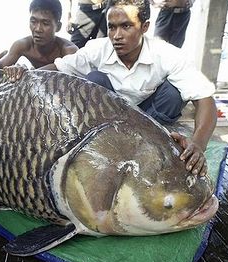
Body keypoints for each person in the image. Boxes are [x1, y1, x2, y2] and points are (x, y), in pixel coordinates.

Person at [35, 0, 216, 177]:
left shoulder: (167, 54)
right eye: (112, 27)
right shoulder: (97, 49)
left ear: (144, 27)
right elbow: (59, 67)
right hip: (110, 123)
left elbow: (205, 99)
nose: (117, 35)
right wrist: (25, 75)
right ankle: (105, 147)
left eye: (126, 26)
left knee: (173, 93)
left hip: (152, 121)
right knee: (94, 79)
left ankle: (155, 145)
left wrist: (198, 144)